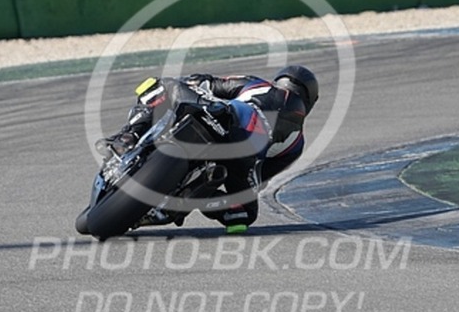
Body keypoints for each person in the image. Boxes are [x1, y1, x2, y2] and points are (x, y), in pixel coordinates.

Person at [98, 65, 319, 232]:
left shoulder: (258, 85)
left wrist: (189, 85)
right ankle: (195, 196)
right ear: (310, 101)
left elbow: (206, 82)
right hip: (244, 156)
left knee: (159, 86)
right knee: (243, 215)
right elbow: (261, 178)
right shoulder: (297, 144)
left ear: (279, 80)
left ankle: (129, 135)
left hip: (222, 115)